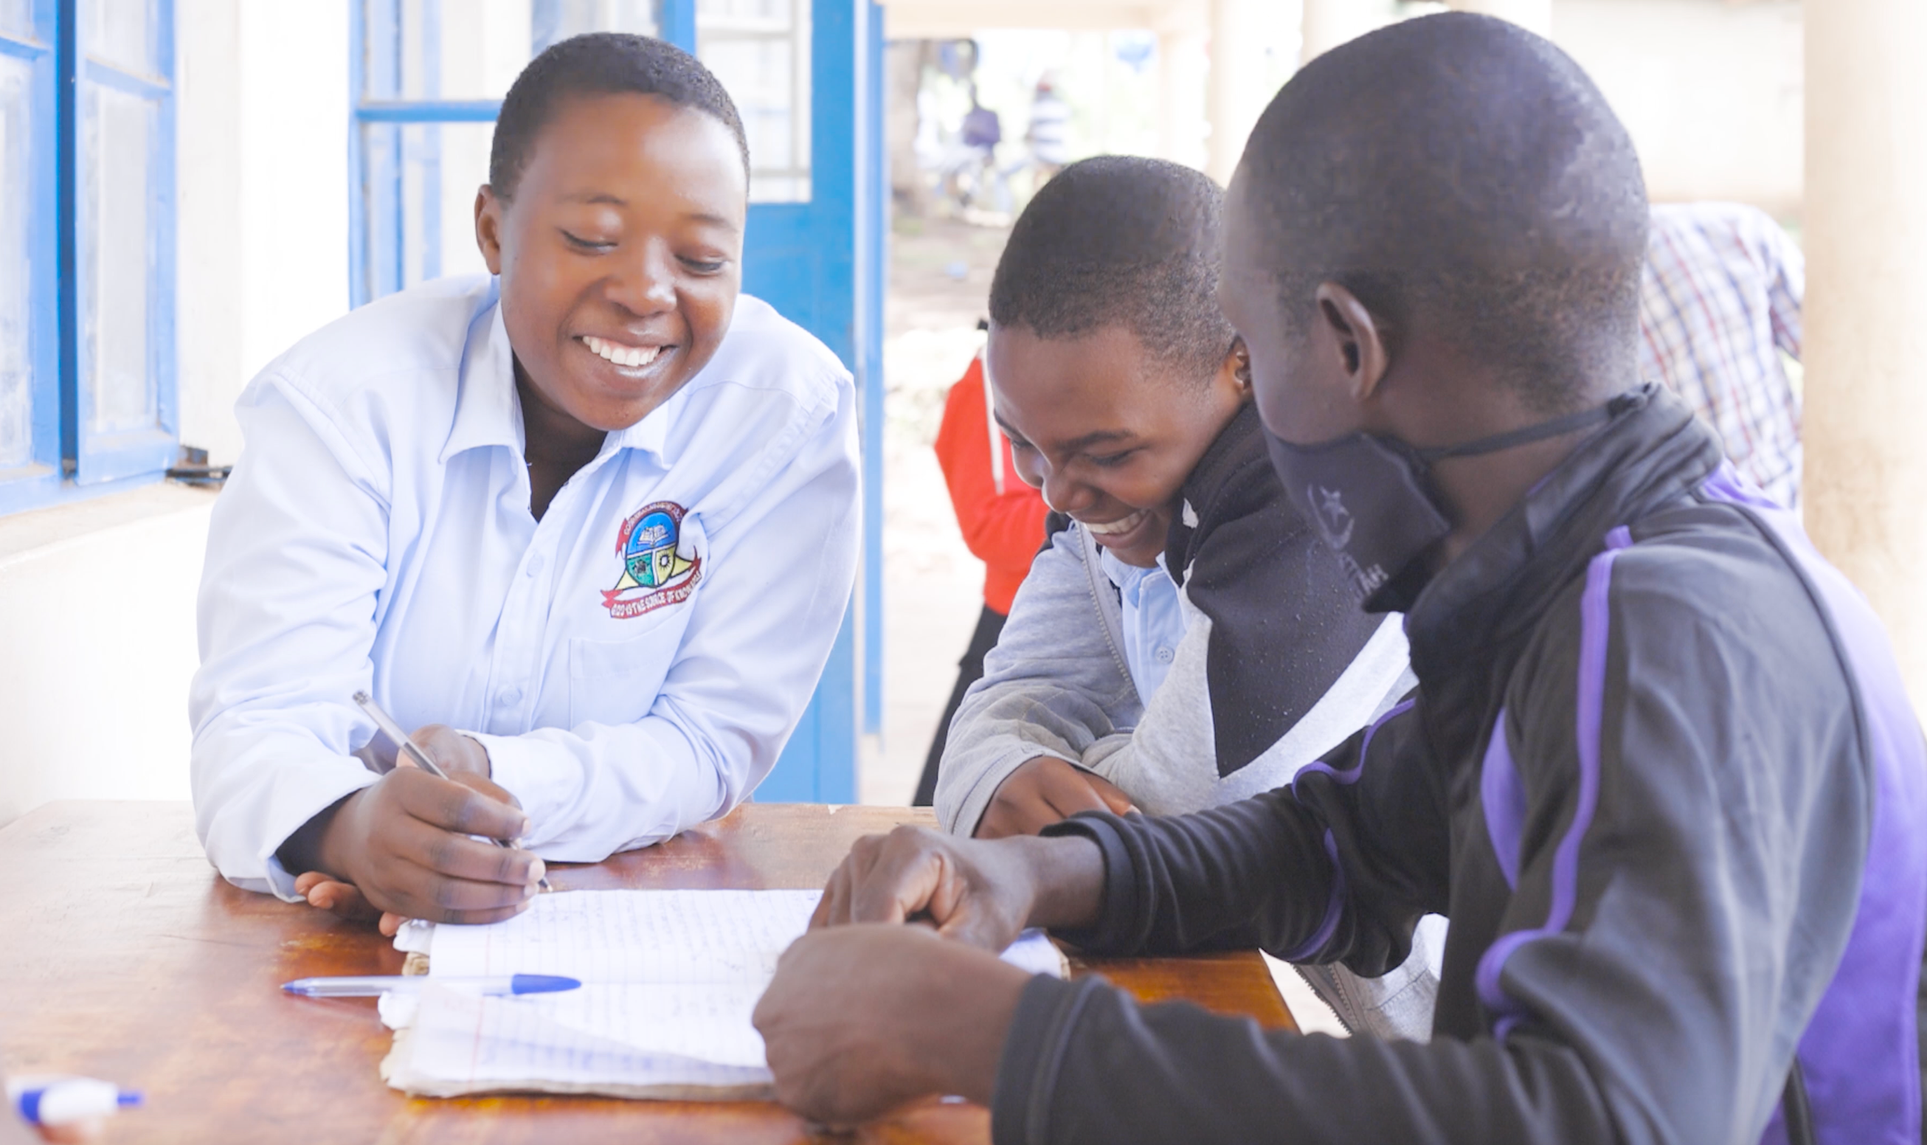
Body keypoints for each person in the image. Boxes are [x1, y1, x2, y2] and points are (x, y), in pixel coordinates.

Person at [752, 15, 1927, 1143]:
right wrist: (1028, 880)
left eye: (1254, 347)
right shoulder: (1565, 584)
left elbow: (1601, 1120)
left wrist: (1002, 1037)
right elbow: (1341, 844)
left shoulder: (1669, 631)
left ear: (1346, 347)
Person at [189, 34, 860, 929]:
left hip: (625, 930)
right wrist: (348, 830)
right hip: (341, 947)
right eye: (591, 239)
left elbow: (709, 739)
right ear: (493, 231)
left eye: (701, 260)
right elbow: (260, 719)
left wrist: (486, 780)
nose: (647, 292)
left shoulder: (787, 416)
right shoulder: (342, 407)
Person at [933, 156, 1427, 1038]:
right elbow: (1003, 704)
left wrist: (1061, 799)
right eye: (1025, 447)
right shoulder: (1104, 498)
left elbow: (1195, 809)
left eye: (1108, 453)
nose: (1060, 495)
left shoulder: (1315, 495)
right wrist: (1001, 771)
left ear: (1243, 363)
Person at [911, 334, 1051, 808]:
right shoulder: (999, 369)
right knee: (953, 818)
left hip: (1137, 622)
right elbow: (991, 524)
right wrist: (1102, 510)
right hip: (1020, 626)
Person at [1640, 201, 1805, 506]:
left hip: (1676, 538)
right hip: (1789, 511)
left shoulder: (1742, 233)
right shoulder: (1736, 231)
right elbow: (1852, 374)